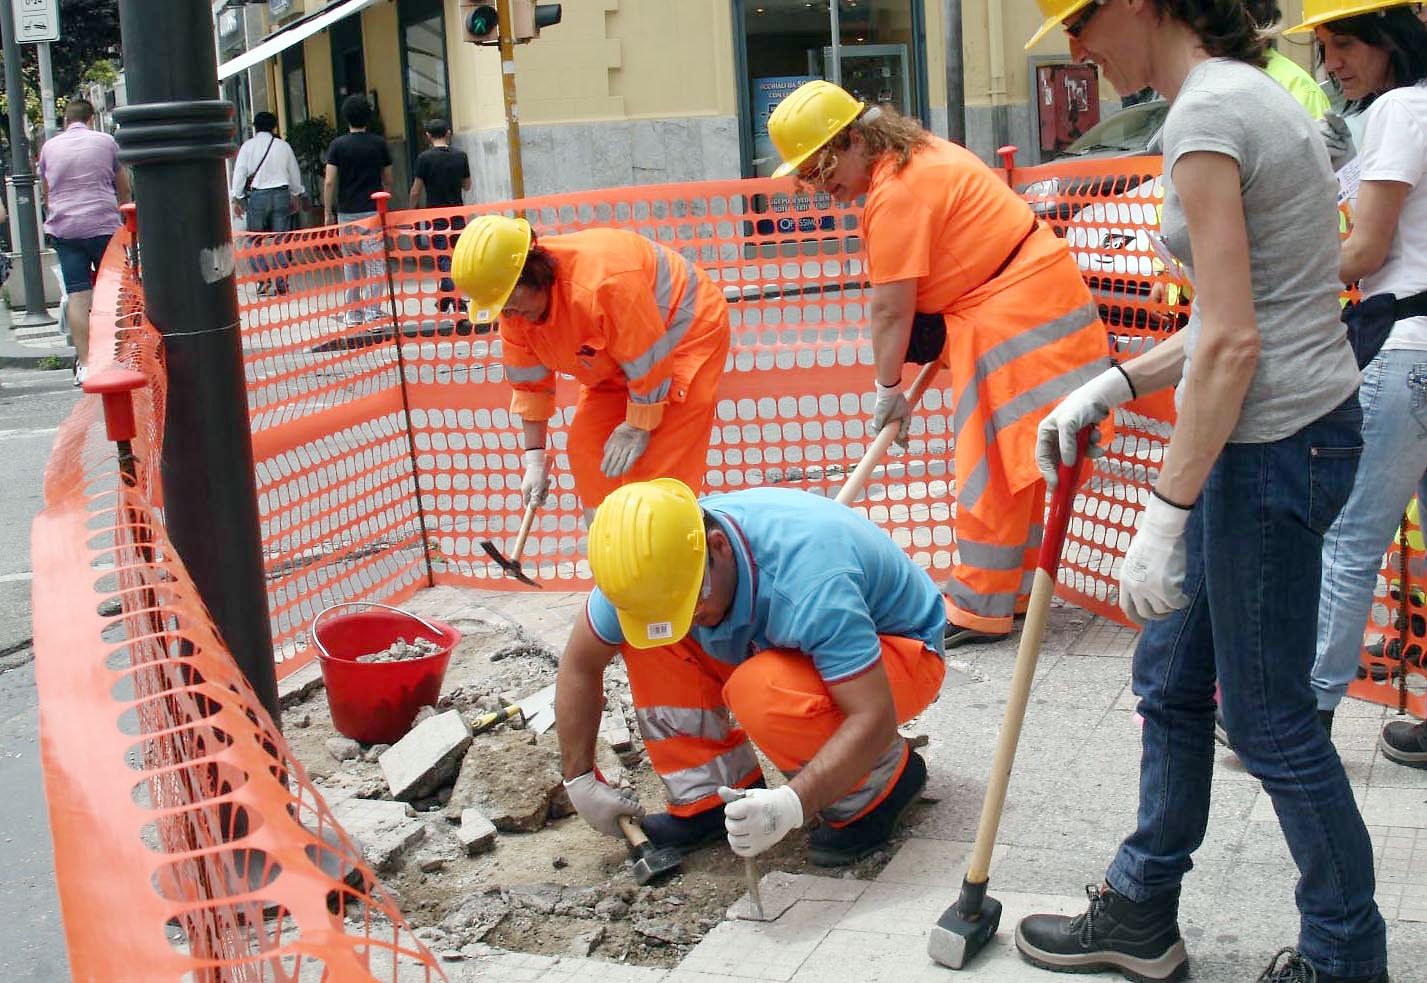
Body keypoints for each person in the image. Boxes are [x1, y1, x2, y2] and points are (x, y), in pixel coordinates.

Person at [1018, 0, 1386, 980]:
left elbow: (1232, 340)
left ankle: (1345, 953)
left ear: (1137, 5)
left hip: (1270, 444)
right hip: (1279, 434)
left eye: (1077, 21)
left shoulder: (1206, 117)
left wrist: (1162, 514)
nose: (1073, 49)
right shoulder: (1243, 98)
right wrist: (1117, 380)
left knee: (1266, 721)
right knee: (1170, 683)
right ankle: (1141, 906)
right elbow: (1246, 311)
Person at [764, 80, 1112, 649]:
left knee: (991, 469)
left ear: (854, 140)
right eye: (807, 175)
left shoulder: (897, 192)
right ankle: (1012, 596)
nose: (820, 187)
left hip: (1013, 320)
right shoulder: (917, 156)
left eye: (822, 169)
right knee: (1020, 462)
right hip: (1027, 304)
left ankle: (978, 607)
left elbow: (890, 307)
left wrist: (886, 390)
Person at [554, 479, 947, 864]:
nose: (690, 619)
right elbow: (579, 666)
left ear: (719, 546)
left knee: (761, 689)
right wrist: (579, 779)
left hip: (899, 653)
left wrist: (793, 803)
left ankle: (881, 787)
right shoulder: (646, 570)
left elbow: (872, 716)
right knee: (652, 638)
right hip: (797, 640)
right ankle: (708, 797)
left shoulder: (810, 580)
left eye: (692, 603)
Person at [1285, 0, 1427, 768]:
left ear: (1388, 39)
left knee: (1348, 540)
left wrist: (1269, 277)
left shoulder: (1400, 108)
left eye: (1343, 43)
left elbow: (1367, 249)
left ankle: (1302, 718)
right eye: (1322, 47)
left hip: (1407, 345)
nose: (1330, 62)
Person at [449, 216, 730, 519]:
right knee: (586, 447)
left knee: (653, 476)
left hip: (683, 335)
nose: (509, 313)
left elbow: (648, 359)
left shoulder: (602, 283)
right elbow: (531, 388)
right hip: (619, 358)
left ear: (532, 273)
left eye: (509, 301)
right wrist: (535, 462)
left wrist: (638, 424)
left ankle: (661, 549)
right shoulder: (515, 314)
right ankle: (610, 552)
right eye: (501, 306)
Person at [38, 98, 130, 386]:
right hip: (103, 224)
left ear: (66, 120)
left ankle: (87, 364)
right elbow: (123, 187)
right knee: (115, 291)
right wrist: (125, 220)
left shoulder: (49, 148)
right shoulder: (106, 142)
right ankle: (119, 358)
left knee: (78, 295)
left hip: (66, 229)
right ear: (91, 118)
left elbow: (46, 192)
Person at [323, 94, 393, 326]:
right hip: (373, 212)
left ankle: (353, 314)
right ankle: (373, 311)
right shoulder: (379, 144)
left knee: (351, 262)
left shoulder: (337, 146)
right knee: (375, 262)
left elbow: (330, 181)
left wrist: (327, 212)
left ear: (346, 118)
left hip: (347, 212)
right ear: (368, 117)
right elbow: (389, 178)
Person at [230, 111, 304, 296]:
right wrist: (296, 194)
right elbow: (294, 173)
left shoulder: (248, 147)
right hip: (281, 195)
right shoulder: (283, 146)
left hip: (258, 197)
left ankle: (263, 279)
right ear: (274, 127)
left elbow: (239, 173)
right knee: (281, 240)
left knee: (254, 240)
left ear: (255, 127)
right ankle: (281, 282)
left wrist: (237, 198)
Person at [408, 119, 471, 317]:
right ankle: (446, 300)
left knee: (444, 258)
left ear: (428, 135)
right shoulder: (460, 156)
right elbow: (467, 185)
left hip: (436, 216)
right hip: (457, 214)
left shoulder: (424, 159)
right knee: (456, 258)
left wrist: (412, 211)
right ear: (448, 133)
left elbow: (416, 190)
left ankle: (456, 299)